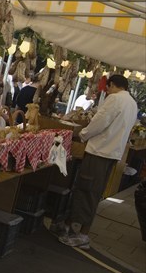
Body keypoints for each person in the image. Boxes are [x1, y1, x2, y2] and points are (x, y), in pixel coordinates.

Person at [52, 74, 138, 249]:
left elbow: (99, 122)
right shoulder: (132, 103)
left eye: (107, 87)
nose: (106, 90)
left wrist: (82, 134)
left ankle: (81, 234)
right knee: (93, 192)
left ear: (112, 85)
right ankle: (70, 226)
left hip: (99, 152)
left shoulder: (115, 99)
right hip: (112, 154)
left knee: (85, 191)